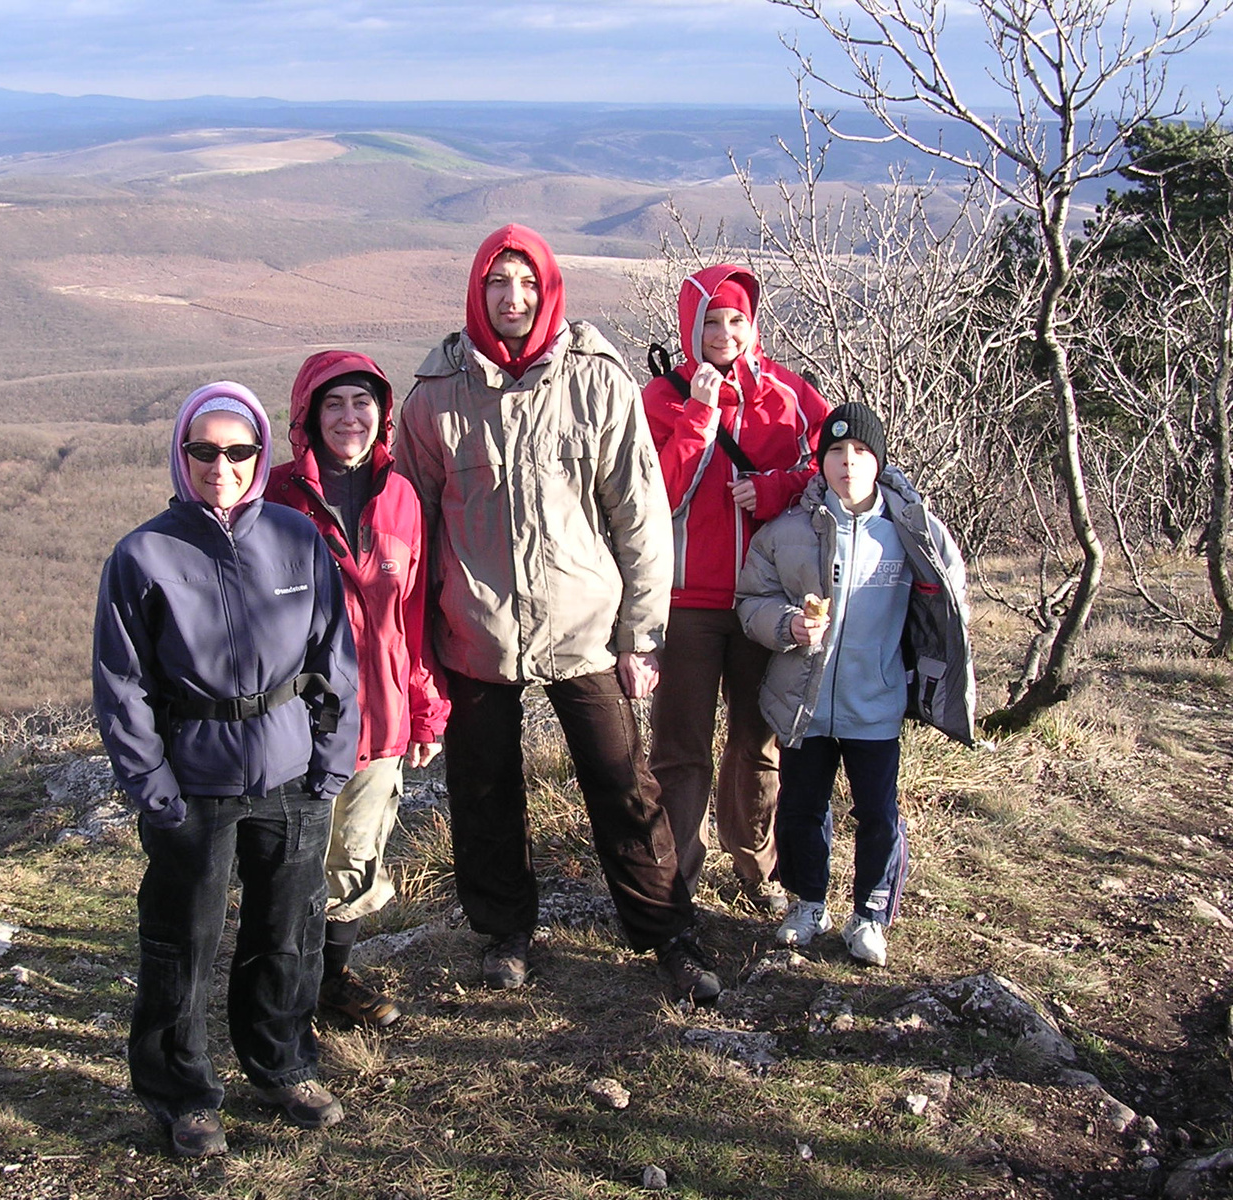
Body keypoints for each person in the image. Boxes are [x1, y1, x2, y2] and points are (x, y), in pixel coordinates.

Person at [395, 223, 720, 1003]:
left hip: (582, 624)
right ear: (478, 293)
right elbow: (411, 530)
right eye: (497, 285)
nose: (513, 299)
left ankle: (667, 931)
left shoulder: (595, 379)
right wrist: (418, 651)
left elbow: (639, 514)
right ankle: (504, 930)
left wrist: (643, 637)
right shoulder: (436, 395)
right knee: (482, 787)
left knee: (621, 782)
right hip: (475, 628)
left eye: (527, 285)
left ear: (548, 291)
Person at [92, 381, 361, 1157]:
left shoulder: (296, 539)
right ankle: (182, 1095)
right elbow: (122, 684)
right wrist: (155, 790)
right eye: (203, 450)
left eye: (239, 450)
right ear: (181, 455)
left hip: (291, 775)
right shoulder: (143, 554)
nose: (222, 466)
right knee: (184, 941)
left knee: (287, 933)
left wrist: (329, 764)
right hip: (193, 780)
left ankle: (282, 1066)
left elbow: (333, 659)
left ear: (261, 453)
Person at [735, 401, 974, 967]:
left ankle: (869, 912)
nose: (847, 464)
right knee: (801, 807)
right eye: (836, 453)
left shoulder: (910, 531)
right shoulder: (787, 530)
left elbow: (950, 605)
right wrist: (787, 624)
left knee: (878, 812)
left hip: (877, 701)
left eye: (861, 453)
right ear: (820, 462)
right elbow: (750, 602)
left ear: (879, 461)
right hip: (804, 702)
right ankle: (808, 901)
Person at [268, 350, 449, 1029]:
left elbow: (414, 615)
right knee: (296, 858)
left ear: (383, 415)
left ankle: (330, 979)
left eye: (362, 403)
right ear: (308, 417)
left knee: (356, 857)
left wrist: (428, 710)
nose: (350, 417)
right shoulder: (276, 495)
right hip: (298, 722)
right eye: (334, 404)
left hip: (382, 720)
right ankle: (285, 983)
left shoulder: (401, 494)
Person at [642, 264, 831, 915]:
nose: (724, 333)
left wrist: (777, 486)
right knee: (679, 748)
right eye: (711, 321)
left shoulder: (787, 393)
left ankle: (757, 870)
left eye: (736, 320)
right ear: (690, 326)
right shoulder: (661, 398)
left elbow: (834, 463)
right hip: (686, 600)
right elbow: (653, 494)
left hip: (766, 603)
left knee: (759, 741)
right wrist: (699, 410)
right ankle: (675, 881)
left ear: (753, 325)